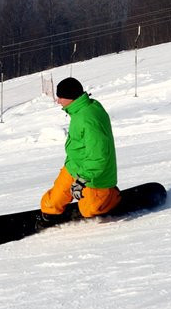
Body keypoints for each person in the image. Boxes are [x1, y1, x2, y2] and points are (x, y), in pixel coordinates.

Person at [40, 77, 120, 219]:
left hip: (93, 175)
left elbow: (98, 156)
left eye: (60, 97)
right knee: (51, 203)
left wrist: (82, 180)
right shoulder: (79, 110)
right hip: (74, 167)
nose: (58, 101)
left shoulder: (88, 119)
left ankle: (111, 196)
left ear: (70, 97)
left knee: (90, 210)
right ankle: (49, 215)